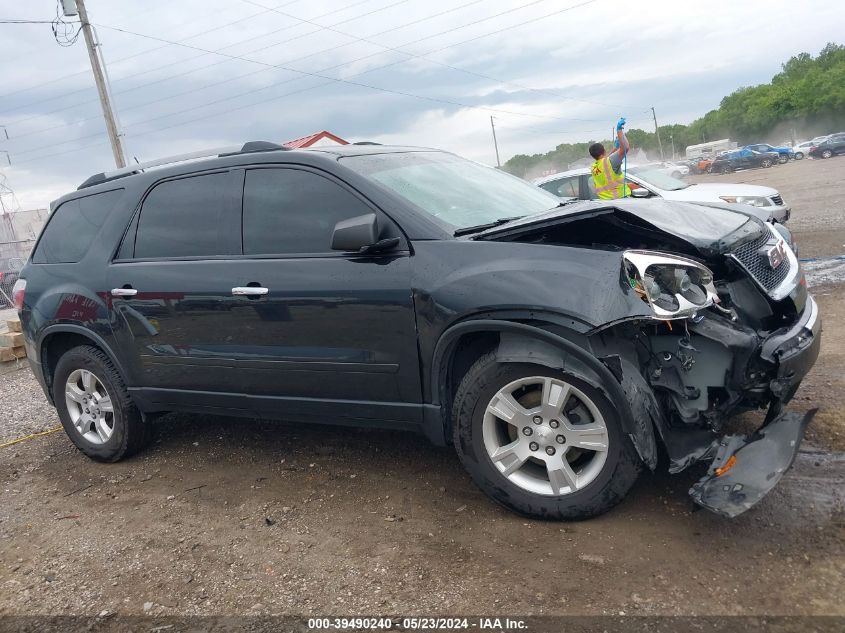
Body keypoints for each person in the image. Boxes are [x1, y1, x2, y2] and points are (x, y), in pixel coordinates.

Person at [589, 118, 632, 200]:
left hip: (606, 202)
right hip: (620, 200)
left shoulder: (594, 167)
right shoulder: (610, 162)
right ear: (604, 150)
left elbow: (605, 159)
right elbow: (625, 148)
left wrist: (615, 148)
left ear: (592, 156)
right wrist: (619, 131)